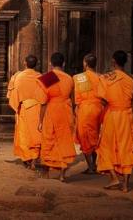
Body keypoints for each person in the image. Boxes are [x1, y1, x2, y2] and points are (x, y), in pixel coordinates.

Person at [96, 50, 133, 192]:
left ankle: (114, 177)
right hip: (127, 116)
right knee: (126, 148)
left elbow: (102, 100)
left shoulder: (106, 77)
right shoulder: (132, 78)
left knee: (105, 146)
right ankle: (126, 185)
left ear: (113, 61)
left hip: (111, 114)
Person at [38, 52, 76, 181]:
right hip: (66, 111)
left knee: (49, 139)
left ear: (50, 63)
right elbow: (72, 98)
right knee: (64, 140)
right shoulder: (69, 78)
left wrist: (40, 120)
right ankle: (62, 174)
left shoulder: (48, 77)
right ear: (63, 63)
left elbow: (43, 101)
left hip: (52, 110)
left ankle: (46, 173)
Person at [7, 55, 47, 169]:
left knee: (24, 135)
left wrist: (16, 105)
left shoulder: (17, 76)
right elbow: (50, 92)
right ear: (37, 64)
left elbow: (12, 96)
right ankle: (35, 159)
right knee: (36, 134)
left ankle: (28, 159)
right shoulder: (42, 77)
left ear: (24, 63)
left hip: (24, 108)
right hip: (39, 108)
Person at [74, 52, 104, 174]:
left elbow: (80, 97)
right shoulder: (101, 77)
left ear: (85, 64)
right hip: (99, 108)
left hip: (86, 109)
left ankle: (91, 167)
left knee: (85, 136)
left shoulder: (81, 77)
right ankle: (94, 164)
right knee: (95, 135)